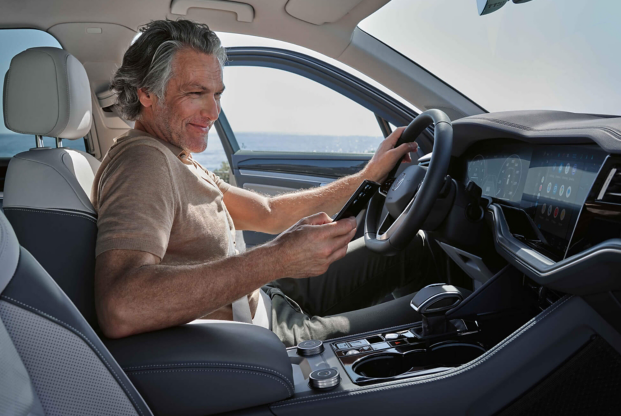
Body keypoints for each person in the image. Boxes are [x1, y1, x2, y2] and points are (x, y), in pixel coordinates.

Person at [92, 19, 437, 346]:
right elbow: (121, 307)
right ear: (147, 94)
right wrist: (278, 257)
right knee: (445, 307)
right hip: (258, 337)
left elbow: (269, 212)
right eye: (196, 93)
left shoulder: (175, 157)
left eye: (217, 94)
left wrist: (367, 177)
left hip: (265, 297)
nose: (213, 113)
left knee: (412, 248)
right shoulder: (143, 163)